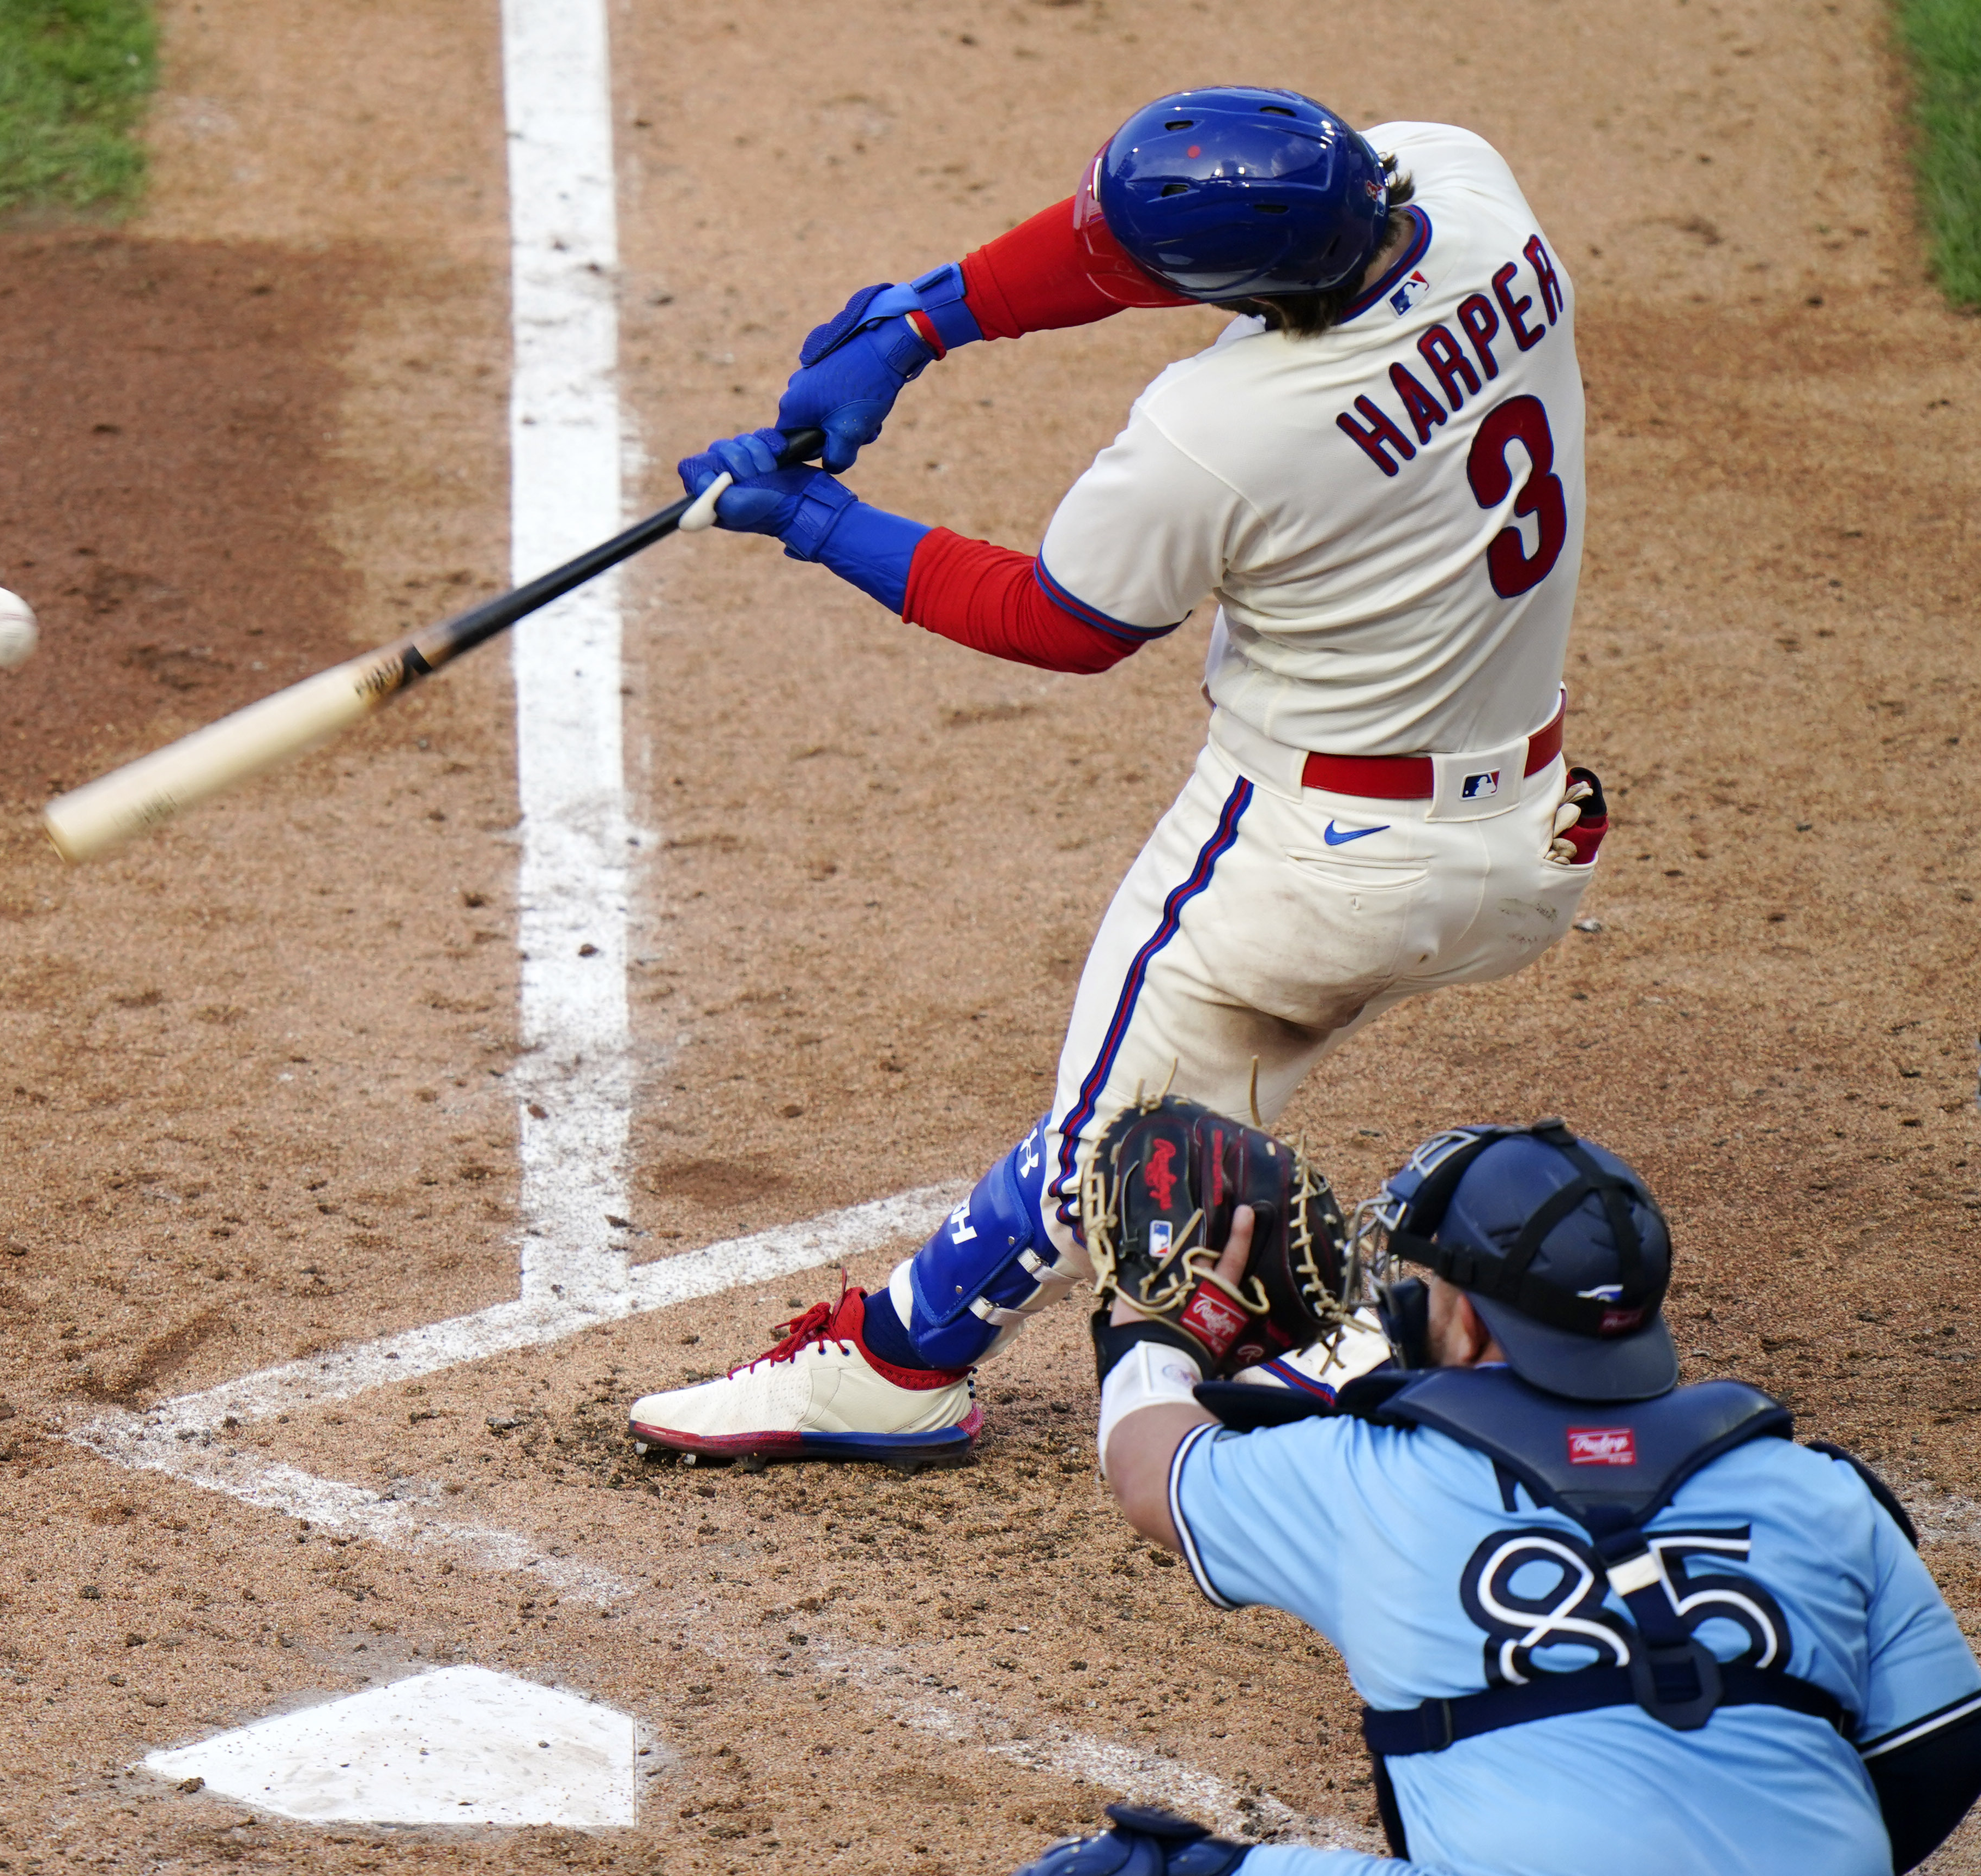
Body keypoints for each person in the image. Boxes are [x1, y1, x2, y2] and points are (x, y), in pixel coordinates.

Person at [631, 87, 1610, 1463]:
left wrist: (817, 520)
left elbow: (1060, 622)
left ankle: (899, 1366)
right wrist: (923, 318)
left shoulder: (1218, 427)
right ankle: (1292, 1320)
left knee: (1113, 1144)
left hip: (1311, 866)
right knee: (1198, 1091)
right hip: (1529, 830)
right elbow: (1126, 245)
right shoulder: (1474, 193)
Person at [1034, 1119, 1981, 1875]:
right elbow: (1938, 1753)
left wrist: (1163, 1321)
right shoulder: (1819, 1491)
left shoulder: (1366, 1476)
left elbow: (1148, 1461)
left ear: (1475, 1317)